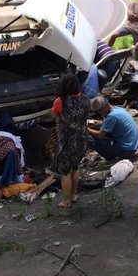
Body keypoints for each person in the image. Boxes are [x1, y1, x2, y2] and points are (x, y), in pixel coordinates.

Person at [50, 73, 90, 208]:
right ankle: (73, 195)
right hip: (82, 138)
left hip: (67, 140)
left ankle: (66, 201)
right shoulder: (86, 99)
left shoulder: (60, 101)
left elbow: (55, 114)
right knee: (75, 167)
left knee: (64, 171)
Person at [87, 95, 138, 161]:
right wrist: (97, 122)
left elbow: (99, 135)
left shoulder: (112, 116)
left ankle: (111, 157)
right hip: (132, 146)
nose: (99, 113)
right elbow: (111, 123)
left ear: (103, 108)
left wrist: (85, 129)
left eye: (99, 111)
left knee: (88, 138)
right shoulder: (117, 109)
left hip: (127, 151)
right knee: (99, 130)